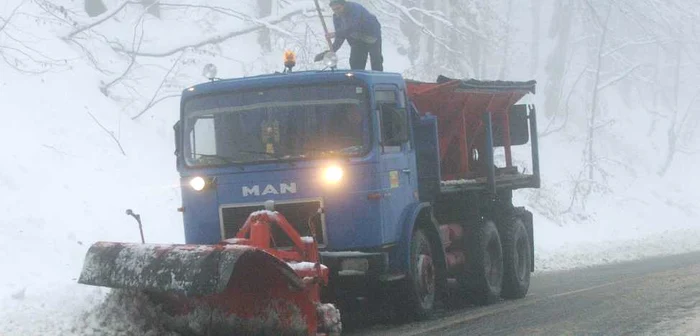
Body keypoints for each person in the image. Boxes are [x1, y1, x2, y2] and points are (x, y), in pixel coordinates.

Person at [326, 0, 383, 71]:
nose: (336, 11)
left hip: (372, 36)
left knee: (376, 60)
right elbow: (340, 36)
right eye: (333, 9)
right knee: (355, 62)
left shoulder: (355, 9)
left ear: (344, 5)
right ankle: (357, 80)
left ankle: (378, 78)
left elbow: (354, 27)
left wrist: (336, 33)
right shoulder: (336, 17)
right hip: (357, 40)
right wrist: (332, 50)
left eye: (338, 8)